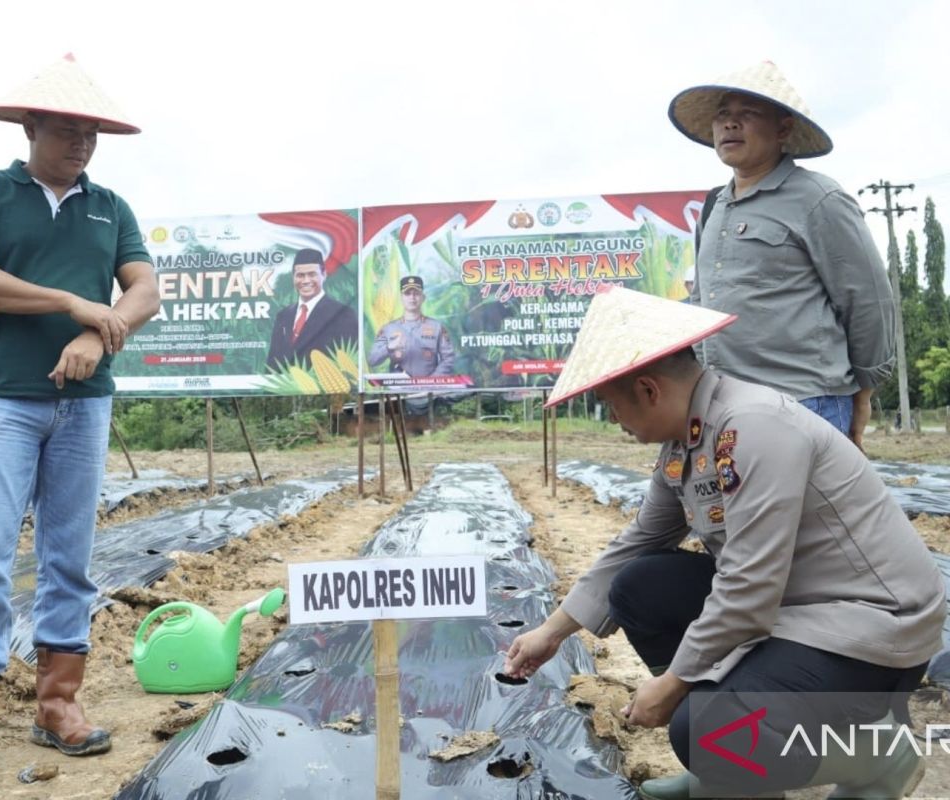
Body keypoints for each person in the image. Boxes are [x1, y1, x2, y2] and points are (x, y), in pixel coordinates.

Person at [504, 286, 944, 799]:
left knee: (702, 729)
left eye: (609, 404)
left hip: (868, 631)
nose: (615, 420)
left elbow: (750, 587)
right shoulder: (688, 441)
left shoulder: (753, 427)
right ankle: (730, 768)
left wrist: (673, 688)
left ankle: (877, 756)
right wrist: (553, 633)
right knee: (640, 588)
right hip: (794, 611)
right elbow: (639, 540)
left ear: (648, 390)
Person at [0, 54, 160, 795]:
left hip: (85, 405)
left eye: (91, 131)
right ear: (30, 125)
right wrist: (70, 303)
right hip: (4, 399)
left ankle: (57, 703)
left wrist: (99, 335)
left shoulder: (111, 208)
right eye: (68, 129)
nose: (82, 142)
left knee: (70, 558)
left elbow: (144, 292)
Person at [669, 61, 895, 450]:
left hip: (806, 403)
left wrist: (864, 391)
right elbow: (701, 304)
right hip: (725, 406)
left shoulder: (819, 200)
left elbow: (868, 301)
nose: (730, 124)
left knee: (807, 513)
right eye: (723, 114)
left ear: (783, 129)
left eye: (748, 114)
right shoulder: (713, 208)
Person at [265, 248, 357, 370]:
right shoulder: (283, 316)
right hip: (285, 388)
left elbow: (350, 362)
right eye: (300, 275)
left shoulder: (342, 314)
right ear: (293, 277)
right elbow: (272, 364)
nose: (306, 281)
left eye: (312, 274)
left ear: (324, 275)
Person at [366, 275, 456, 378]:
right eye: (407, 294)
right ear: (401, 298)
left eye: (416, 293)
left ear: (423, 298)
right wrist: (388, 348)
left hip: (430, 391)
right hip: (398, 391)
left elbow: (449, 359)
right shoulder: (388, 329)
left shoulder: (437, 327)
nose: (412, 298)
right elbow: (372, 360)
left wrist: (431, 382)